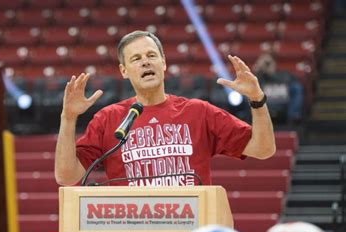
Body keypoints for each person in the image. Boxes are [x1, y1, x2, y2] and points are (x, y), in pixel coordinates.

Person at [55, 30, 275, 187]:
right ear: (123, 70)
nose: (145, 62)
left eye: (151, 56)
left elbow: (263, 149)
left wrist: (257, 98)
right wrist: (68, 118)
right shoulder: (108, 119)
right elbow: (66, 176)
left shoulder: (199, 112)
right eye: (136, 58)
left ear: (164, 63)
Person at [253, 52, 304, 125]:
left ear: (274, 63)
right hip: (263, 105)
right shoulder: (258, 77)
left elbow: (293, 83)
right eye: (265, 64)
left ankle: (294, 119)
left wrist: (271, 73)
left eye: (268, 63)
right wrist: (258, 69)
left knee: (296, 87)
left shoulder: (283, 74)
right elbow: (250, 85)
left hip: (282, 104)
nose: (267, 66)